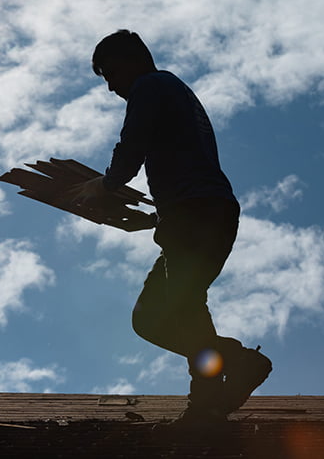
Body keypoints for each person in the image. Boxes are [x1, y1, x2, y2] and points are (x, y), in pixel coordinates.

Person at [70, 30, 271, 426]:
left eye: (111, 75)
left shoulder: (151, 85)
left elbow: (131, 151)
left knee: (184, 303)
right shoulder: (171, 91)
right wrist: (155, 217)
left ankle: (207, 401)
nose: (111, 87)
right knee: (149, 319)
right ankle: (241, 362)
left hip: (197, 214)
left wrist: (105, 184)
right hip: (195, 215)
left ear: (134, 60)